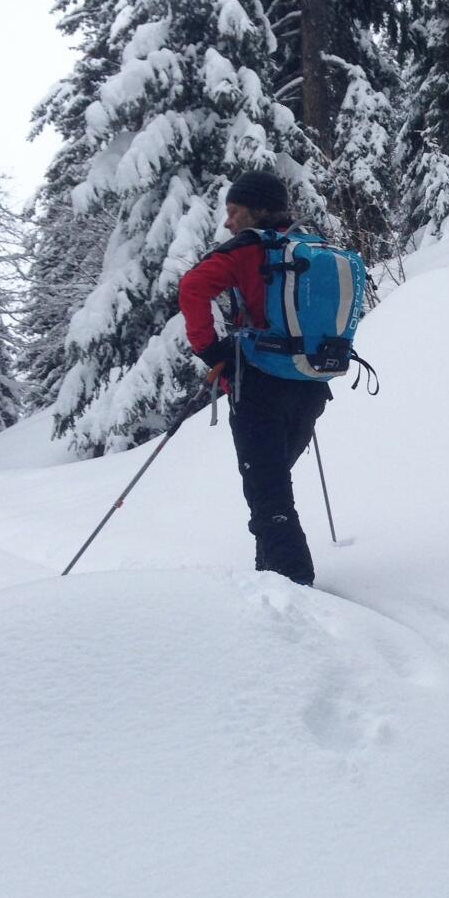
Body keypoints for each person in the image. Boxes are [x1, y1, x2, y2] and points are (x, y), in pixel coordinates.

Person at [178, 170, 330, 586]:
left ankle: (292, 585)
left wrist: (211, 351)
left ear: (259, 210)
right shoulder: (311, 246)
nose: (228, 222)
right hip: (311, 383)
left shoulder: (247, 249)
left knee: (268, 494)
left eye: (234, 212)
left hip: (260, 384)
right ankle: (271, 575)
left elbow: (192, 288)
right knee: (272, 483)